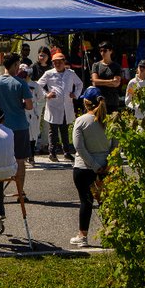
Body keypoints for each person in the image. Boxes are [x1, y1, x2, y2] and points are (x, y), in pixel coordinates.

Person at [69, 88, 115, 248]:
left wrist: (94, 165)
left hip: (84, 167)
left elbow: (79, 147)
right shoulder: (109, 120)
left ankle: (83, 235)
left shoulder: (81, 121)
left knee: (85, 201)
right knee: (106, 201)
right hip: (105, 165)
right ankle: (112, 234)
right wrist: (106, 163)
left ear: (85, 103)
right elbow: (116, 145)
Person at [0, 53, 33, 198]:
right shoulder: (21, 83)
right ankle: (20, 192)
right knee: (20, 160)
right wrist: (19, 104)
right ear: (15, 65)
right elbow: (29, 106)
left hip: (0, 126)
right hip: (19, 126)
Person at [38, 51, 83, 162]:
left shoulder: (71, 73)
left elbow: (79, 84)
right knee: (53, 131)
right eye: (55, 62)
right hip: (53, 106)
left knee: (64, 130)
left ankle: (66, 152)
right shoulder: (49, 73)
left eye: (59, 62)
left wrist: (75, 94)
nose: (57, 64)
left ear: (64, 62)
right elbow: (38, 85)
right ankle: (52, 152)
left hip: (66, 107)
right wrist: (46, 94)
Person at [90, 41, 123, 112]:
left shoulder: (116, 66)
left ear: (110, 51)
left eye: (105, 51)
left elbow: (116, 83)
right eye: (101, 51)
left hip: (112, 101)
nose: (102, 53)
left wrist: (100, 82)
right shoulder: (96, 65)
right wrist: (110, 81)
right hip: (99, 100)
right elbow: (95, 82)